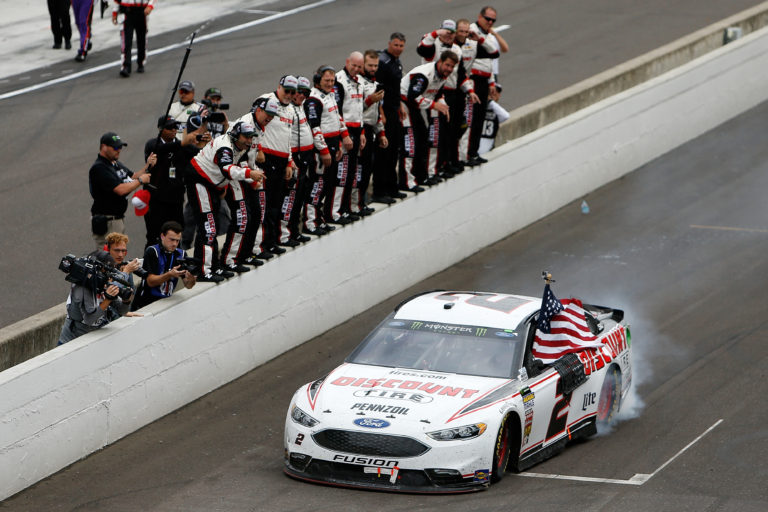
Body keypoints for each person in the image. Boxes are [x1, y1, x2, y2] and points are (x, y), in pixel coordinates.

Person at [187, 120, 265, 281]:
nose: (249, 141)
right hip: (199, 181)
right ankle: (204, 270)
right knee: (208, 227)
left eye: (251, 137)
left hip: (212, 184)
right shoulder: (225, 147)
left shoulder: (238, 145)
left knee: (211, 226)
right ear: (236, 135)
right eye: (246, 137)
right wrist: (249, 174)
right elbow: (227, 169)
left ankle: (214, 266)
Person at [416, 20, 479, 183]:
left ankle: (447, 163)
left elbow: (461, 74)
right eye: (447, 32)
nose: (449, 36)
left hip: (453, 94)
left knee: (452, 131)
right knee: (436, 133)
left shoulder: (457, 49)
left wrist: (469, 90)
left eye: (452, 32)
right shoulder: (432, 42)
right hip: (433, 94)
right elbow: (421, 49)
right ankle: (434, 169)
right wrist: (437, 33)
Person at [57, 232, 141, 345]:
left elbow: (122, 310)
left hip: (93, 340)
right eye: (107, 273)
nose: (110, 278)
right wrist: (108, 298)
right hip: (72, 342)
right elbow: (89, 319)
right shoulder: (82, 287)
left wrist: (126, 301)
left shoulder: (103, 283)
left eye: (123, 251)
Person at [399, 51, 458, 192]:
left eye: (452, 67)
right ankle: (406, 183)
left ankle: (421, 176)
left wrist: (443, 106)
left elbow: (438, 93)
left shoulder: (443, 74)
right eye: (447, 65)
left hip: (414, 107)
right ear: (440, 62)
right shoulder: (424, 75)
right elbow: (412, 96)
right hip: (403, 105)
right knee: (410, 143)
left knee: (423, 139)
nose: (449, 69)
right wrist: (434, 105)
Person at [89, 132, 156, 248]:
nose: (119, 150)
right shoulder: (99, 168)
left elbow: (132, 177)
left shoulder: (114, 163)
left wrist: (148, 166)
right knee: (108, 259)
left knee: (117, 256)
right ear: (104, 147)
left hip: (117, 219)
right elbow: (120, 190)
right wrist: (140, 181)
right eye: (115, 147)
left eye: (120, 147)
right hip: (108, 221)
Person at [254, 76, 297, 255]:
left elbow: (289, 139)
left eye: (292, 92)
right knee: (263, 205)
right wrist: (259, 149)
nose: (289, 95)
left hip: (281, 162)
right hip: (266, 159)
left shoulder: (291, 110)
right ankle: (259, 246)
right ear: (279, 87)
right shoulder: (265, 101)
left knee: (275, 204)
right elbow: (252, 125)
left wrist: (289, 161)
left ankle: (271, 242)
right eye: (286, 90)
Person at [141, 115, 195, 248]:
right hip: (156, 200)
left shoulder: (182, 146)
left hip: (175, 199)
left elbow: (198, 153)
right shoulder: (153, 144)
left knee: (176, 233)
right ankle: (152, 263)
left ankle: (176, 261)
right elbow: (161, 149)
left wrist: (202, 142)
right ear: (160, 129)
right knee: (155, 234)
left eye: (175, 127)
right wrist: (182, 143)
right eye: (169, 127)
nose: (173, 130)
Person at [304, 65, 345, 236]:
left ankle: (319, 219)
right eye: (326, 80)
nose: (330, 83)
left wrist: (341, 142)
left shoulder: (330, 95)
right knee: (317, 184)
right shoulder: (313, 100)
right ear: (317, 81)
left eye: (332, 80)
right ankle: (310, 223)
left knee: (326, 184)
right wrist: (324, 150)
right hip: (322, 149)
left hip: (333, 144)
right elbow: (315, 127)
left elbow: (337, 118)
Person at [455, 18, 501, 166]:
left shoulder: (475, 42)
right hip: (464, 85)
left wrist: (479, 39)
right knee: (467, 121)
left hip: (475, 84)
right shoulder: (454, 46)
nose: (464, 34)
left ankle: (473, 152)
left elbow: (493, 54)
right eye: (461, 31)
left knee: (478, 119)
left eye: (466, 31)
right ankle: (463, 156)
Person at [466, 6, 508, 166]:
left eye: (493, 20)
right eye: (487, 19)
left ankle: (473, 152)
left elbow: (491, 59)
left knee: (479, 118)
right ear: (480, 16)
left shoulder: (488, 35)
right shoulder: (471, 32)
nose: (490, 22)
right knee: (470, 118)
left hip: (485, 81)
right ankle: (466, 154)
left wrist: (491, 83)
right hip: (473, 80)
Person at [372, 32, 407, 205]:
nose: (398, 48)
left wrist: (399, 104)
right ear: (389, 43)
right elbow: (378, 89)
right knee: (383, 152)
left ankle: (392, 188)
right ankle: (379, 191)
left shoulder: (396, 62)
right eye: (396, 45)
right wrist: (381, 112)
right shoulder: (383, 62)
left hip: (394, 110)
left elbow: (395, 87)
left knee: (394, 150)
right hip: (384, 111)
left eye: (401, 46)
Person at [331, 52, 365, 224]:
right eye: (354, 65)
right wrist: (342, 136)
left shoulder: (360, 81)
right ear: (347, 62)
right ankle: (334, 212)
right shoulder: (339, 81)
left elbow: (359, 110)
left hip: (356, 131)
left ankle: (345, 209)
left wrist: (363, 132)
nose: (357, 69)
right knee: (341, 174)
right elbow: (336, 111)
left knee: (352, 173)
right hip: (345, 134)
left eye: (360, 66)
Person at [131, 221, 196, 311]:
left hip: (166, 303)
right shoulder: (152, 251)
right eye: (171, 239)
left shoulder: (181, 254)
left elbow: (188, 285)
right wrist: (169, 274)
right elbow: (150, 281)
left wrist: (192, 279)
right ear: (162, 236)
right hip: (145, 304)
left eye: (177, 240)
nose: (174, 244)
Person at [357, 50, 387, 214]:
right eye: (370, 65)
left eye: (376, 65)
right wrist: (370, 100)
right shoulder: (358, 83)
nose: (374, 68)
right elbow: (352, 110)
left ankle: (361, 202)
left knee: (368, 168)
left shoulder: (375, 83)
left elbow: (376, 112)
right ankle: (356, 203)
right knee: (360, 169)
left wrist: (381, 133)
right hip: (360, 129)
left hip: (371, 129)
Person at [113, 0, 155, 77]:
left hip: (142, 11)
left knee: (142, 39)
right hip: (127, 11)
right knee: (126, 40)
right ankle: (126, 66)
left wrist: (150, 5)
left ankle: (141, 62)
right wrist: (114, 12)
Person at [479, 84, 510, 155]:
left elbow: (506, 116)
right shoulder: (478, 105)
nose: (494, 94)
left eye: (496, 92)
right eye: (491, 92)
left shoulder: (496, 110)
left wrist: (490, 102)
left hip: (488, 148)